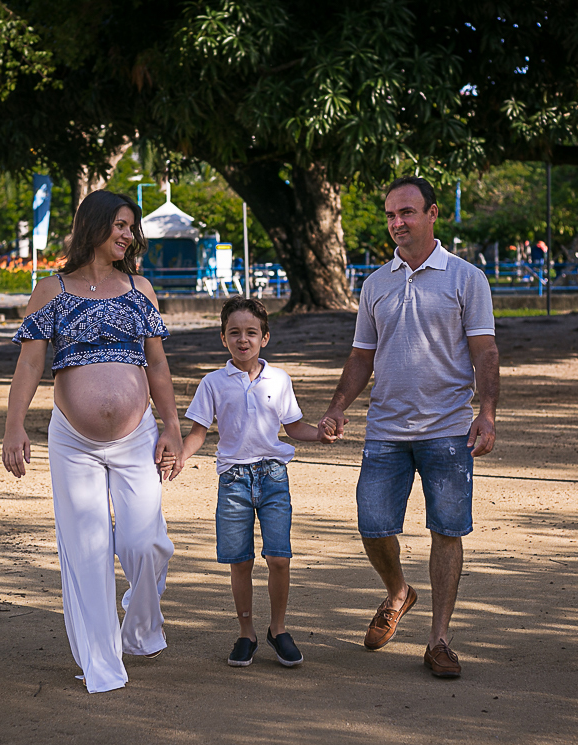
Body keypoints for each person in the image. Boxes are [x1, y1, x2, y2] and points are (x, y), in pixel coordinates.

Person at [2, 189, 185, 694]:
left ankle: (141, 627)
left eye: (130, 227)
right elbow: (30, 364)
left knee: (145, 543)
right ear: (94, 226)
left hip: (136, 437)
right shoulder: (51, 290)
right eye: (120, 225)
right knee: (87, 549)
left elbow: (158, 365)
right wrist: (14, 425)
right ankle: (101, 665)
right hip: (73, 442)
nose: (128, 235)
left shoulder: (140, 289)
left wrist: (171, 425)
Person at [319, 176, 500, 679]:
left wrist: (487, 413)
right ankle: (398, 592)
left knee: (447, 530)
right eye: (391, 215)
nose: (397, 223)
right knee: (373, 525)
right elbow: (362, 355)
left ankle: (439, 640)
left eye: (407, 212)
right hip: (386, 429)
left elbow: (485, 351)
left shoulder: (467, 278)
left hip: (448, 429)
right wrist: (337, 406)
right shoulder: (375, 283)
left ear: (432, 214)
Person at [181, 296, 329, 668]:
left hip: (273, 476)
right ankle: (246, 633)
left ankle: (278, 629)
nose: (242, 339)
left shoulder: (279, 379)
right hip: (233, 481)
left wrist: (320, 434)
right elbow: (199, 432)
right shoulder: (213, 383)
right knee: (240, 561)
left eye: (251, 332)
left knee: (279, 557)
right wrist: (179, 455)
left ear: (265, 337)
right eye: (234, 333)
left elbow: (293, 426)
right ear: (223, 338)